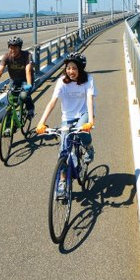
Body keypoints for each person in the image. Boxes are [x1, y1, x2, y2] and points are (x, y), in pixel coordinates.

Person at [36, 52, 96, 196]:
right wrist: (41, 122)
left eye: (74, 68)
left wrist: (91, 121)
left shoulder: (88, 80)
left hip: (83, 113)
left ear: (80, 69)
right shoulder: (62, 81)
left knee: (82, 132)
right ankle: (63, 182)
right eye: (68, 68)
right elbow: (52, 102)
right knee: (63, 150)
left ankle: (88, 148)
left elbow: (89, 100)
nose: (71, 71)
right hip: (67, 117)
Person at [0, 36, 35, 123]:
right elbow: (0, 70)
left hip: (26, 79)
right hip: (14, 80)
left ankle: (30, 109)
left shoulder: (27, 55)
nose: (13, 50)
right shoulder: (7, 56)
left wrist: (29, 84)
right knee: (11, 98)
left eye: (15, 48)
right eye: (11, 47)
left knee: (24, 96)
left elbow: (28, 70)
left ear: (20, 48)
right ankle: (11, 121)